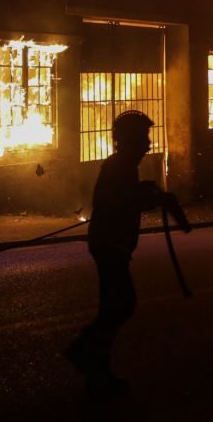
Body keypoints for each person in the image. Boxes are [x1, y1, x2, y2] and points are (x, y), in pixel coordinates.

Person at [64, 110, 192, 396]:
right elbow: (116, 202)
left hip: (113, 243)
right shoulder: (119, 166)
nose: (148, 144)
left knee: (116, 306)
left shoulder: (123, 166)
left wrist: (147, 194)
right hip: (109, 244)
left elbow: (125, 196)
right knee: (120, 304)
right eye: (143, 137)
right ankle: (88, 356)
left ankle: (93, 363)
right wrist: (150, 198)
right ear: (130, 139)